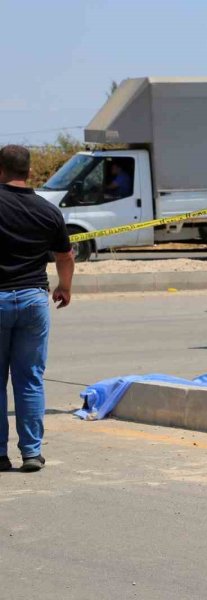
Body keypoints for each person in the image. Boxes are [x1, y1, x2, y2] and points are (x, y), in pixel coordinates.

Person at [0, 145, 74, 473]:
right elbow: (65, 256)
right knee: (29, 379)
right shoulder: (47, 211)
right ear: (30, 172)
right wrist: (65, 287)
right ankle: (31, 452)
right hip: (33, 299)